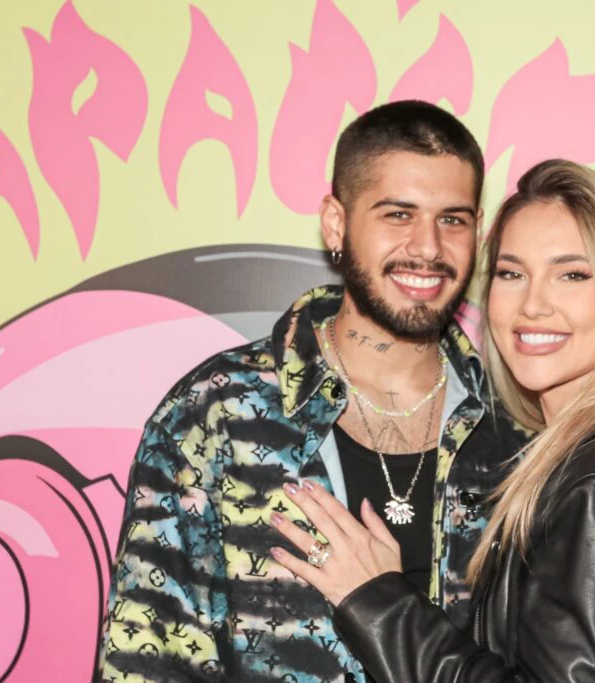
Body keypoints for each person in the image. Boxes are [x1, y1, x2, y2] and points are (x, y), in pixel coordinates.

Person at [97, 100, 529, 682]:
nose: (428, 247)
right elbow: (148, 655)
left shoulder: (517, 429)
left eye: (452, 220)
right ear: (336, 224)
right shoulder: (218, 411)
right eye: (398, 215)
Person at [268, 159, 595, 681]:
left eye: (572, 275)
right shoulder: (584, 454)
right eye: (512, 274)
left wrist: (377, 600)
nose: (532, 305)